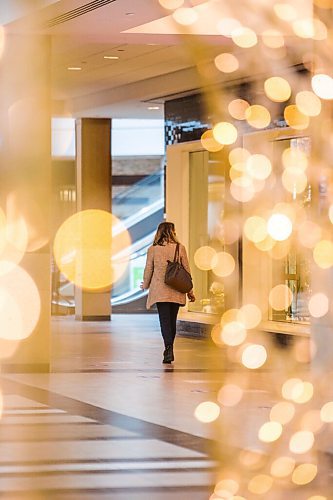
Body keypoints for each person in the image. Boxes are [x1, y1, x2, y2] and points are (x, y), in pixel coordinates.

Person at [141, 222, 195, 364]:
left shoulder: (153, 249)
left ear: (159, 232)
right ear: (173, 232)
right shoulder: (180, 248)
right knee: (172, 321)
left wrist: (145, 285)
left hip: (160, 291)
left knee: (164, 321)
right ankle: (170, 347)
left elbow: (148, 269)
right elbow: (186, 272)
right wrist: (190, 291)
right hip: (176, 290)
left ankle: (168, 349)